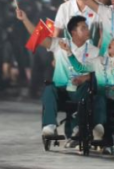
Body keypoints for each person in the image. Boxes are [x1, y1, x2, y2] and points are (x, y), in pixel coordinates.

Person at [16, 10, 106, 142]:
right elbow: (39, 37)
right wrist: (25, 19)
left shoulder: (94, 51)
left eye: (87, 27)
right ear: (73, 32)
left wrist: (85, 78)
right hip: (61, 90)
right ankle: (49, 126)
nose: (88, 30)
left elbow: (101, 73)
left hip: (79, 90)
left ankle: (80, 125)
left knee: (89, 89)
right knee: (49, 89)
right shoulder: (60, 43)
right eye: (83, 28)